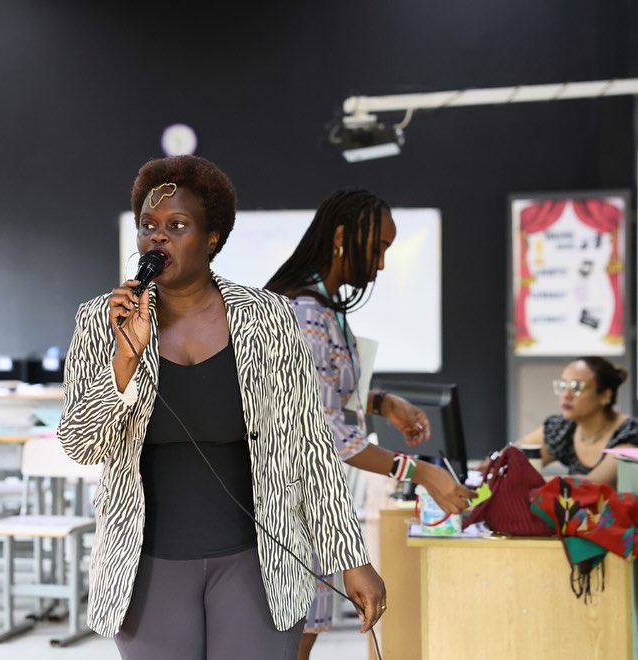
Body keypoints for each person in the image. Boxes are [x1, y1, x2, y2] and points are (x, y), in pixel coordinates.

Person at [57, 156, 386, 660]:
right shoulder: (101, 321)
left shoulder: (269, 319)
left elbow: (310, 446)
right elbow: (79, 445)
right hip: (146, 569)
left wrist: (351, 556)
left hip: (259, 565)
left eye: (177, 225)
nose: (157, 237)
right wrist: (123, 362)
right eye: (148, 225)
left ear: (212, 238)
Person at [265, 188, 475, 660]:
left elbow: (322, 393)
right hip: (285, 512)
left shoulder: (321, 308)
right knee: (288, 645)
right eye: (378, 247)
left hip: (304, 507)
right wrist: (422, 472)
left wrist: (383, 402)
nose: (380, 265)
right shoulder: (305, 313)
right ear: (342, 237)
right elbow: (326, 434)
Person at [516, 356, 638, 488]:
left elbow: (592, 485)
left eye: (577, 387)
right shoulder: (563, 428)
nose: (566, 395)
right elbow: (510, 459)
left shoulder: (630, 434)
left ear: (605, 395)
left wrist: (529, 482)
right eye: (563, 385)